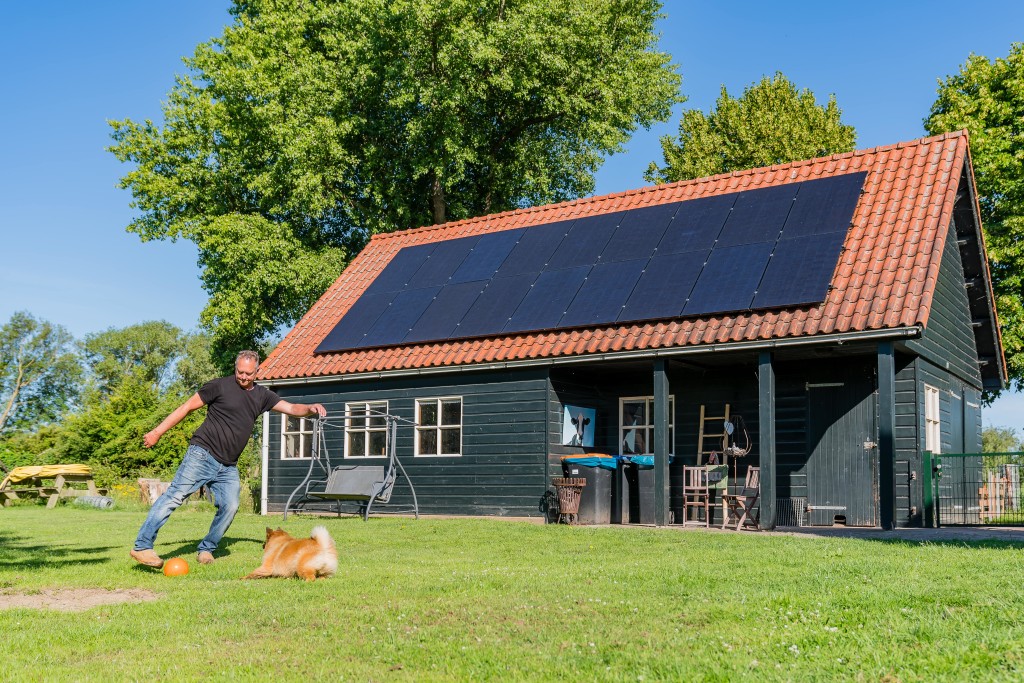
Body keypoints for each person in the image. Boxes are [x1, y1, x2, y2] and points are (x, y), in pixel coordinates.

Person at [130, 350, 326, 568]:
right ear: (235, 368)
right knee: (174, 497)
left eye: (248, 373)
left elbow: (290, 408)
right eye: (240, 372)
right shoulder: (219, 386)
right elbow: (186, 407)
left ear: (257, 371)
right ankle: (142, 546)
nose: (243, 376)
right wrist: (157, 432)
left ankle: (206, 548)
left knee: (231, 506)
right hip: (202, 454)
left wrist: (310, 409)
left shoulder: (262, 396)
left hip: (228, 466)